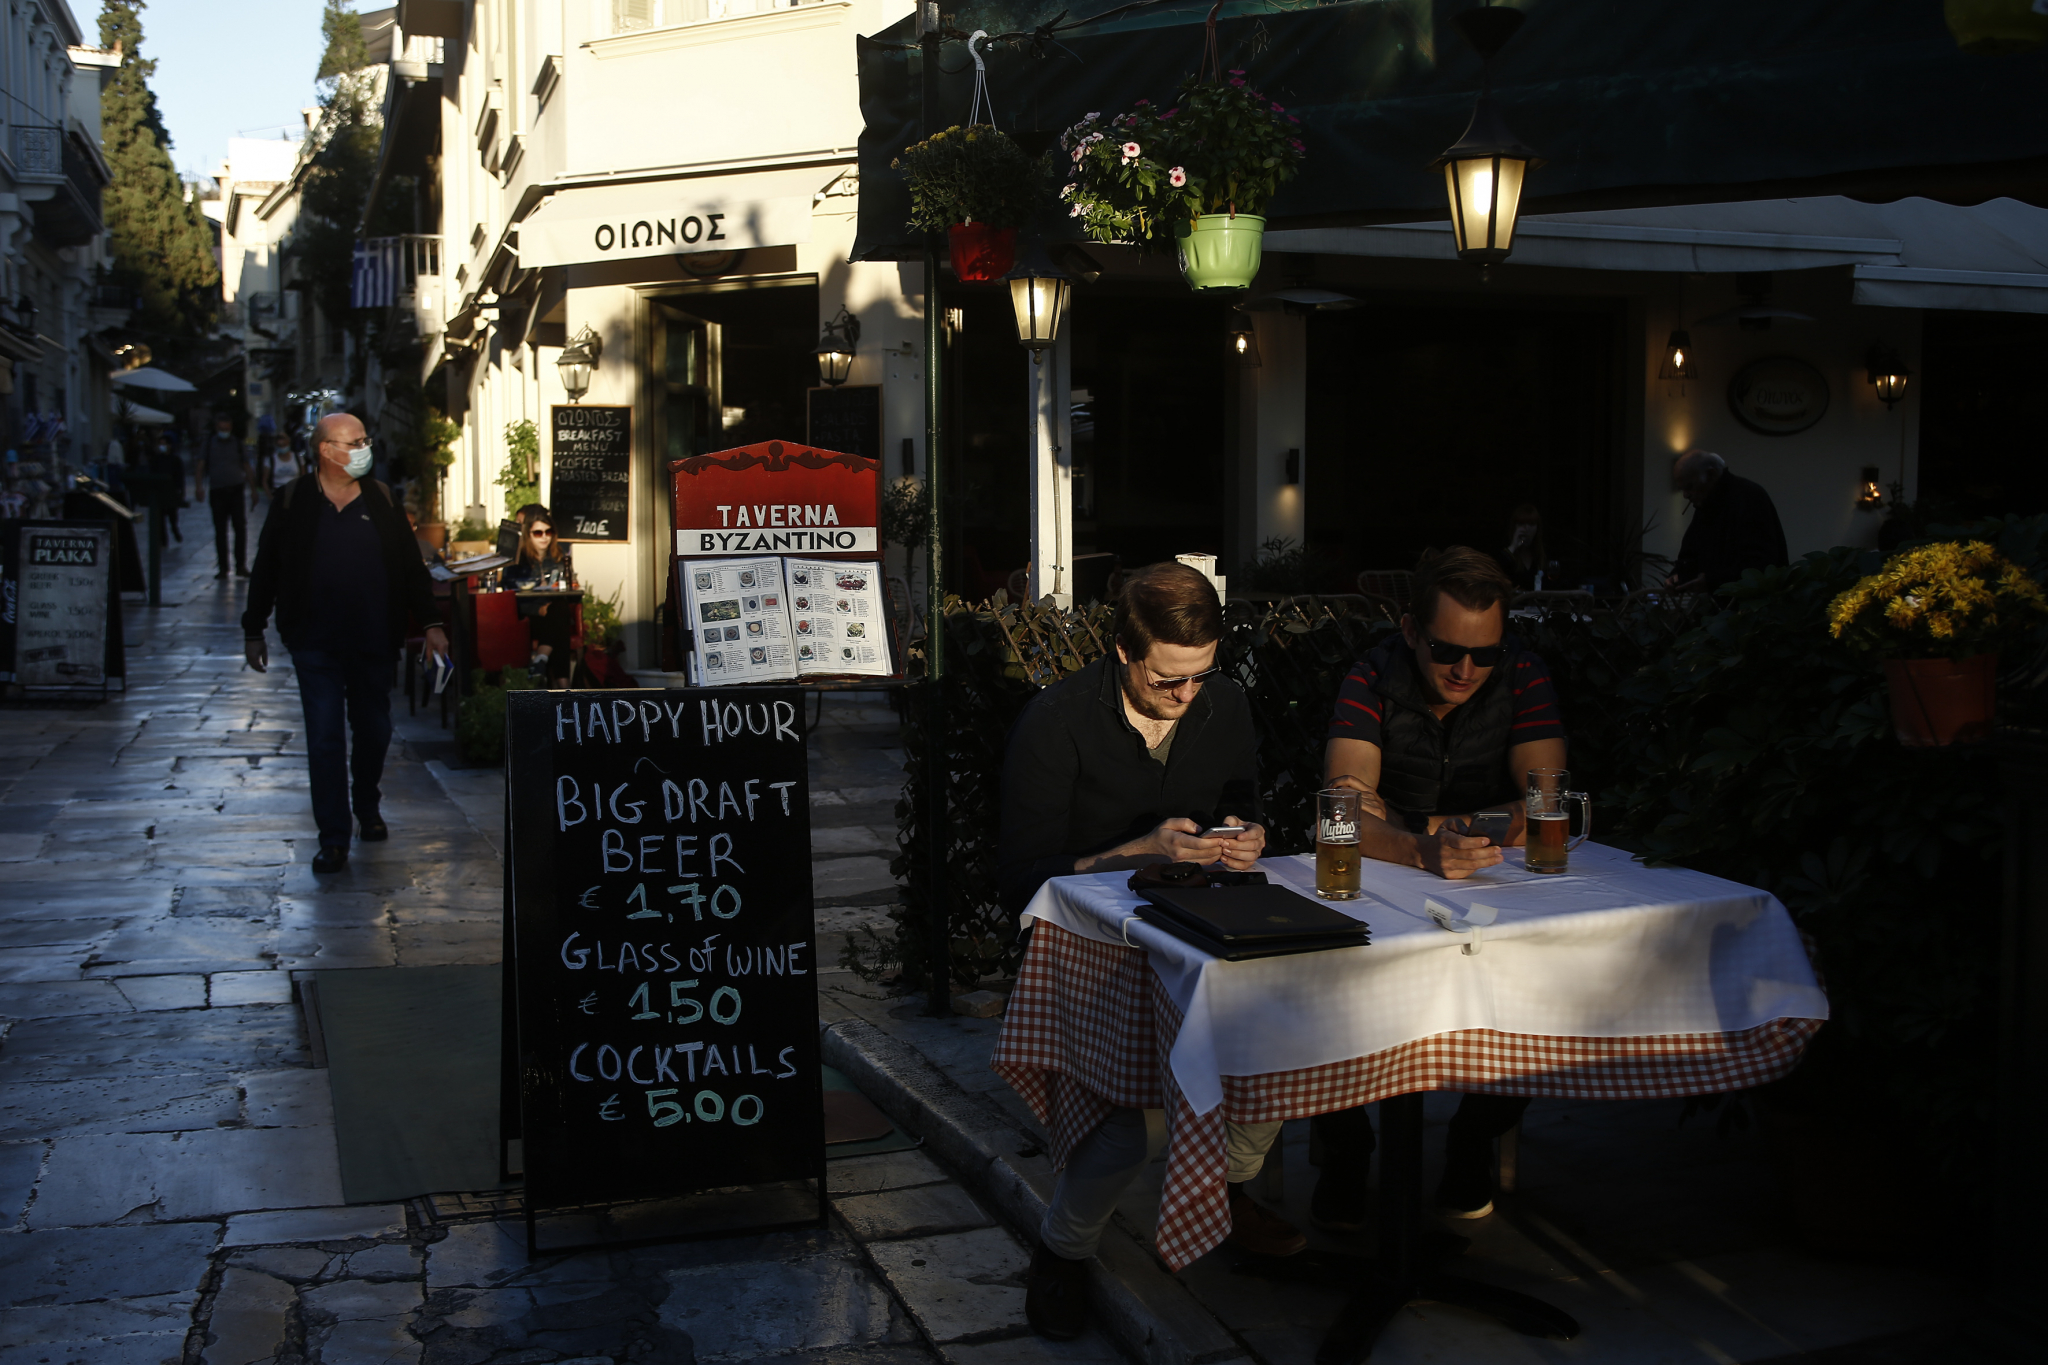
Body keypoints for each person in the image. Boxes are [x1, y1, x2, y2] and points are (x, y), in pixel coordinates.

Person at [998, 562, 1295, 1341]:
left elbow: (1243, 797)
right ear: (1124, 651)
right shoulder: (1056, 719)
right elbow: (1022, 879)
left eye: (1200, 677)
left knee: (1278, 1059)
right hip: (1087, 944)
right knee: (1130, 1129)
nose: (1186, 695)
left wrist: (1245, 833)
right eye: (1169, 680)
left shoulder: (1222, 703)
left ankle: (1218, 1192)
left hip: (1195, 928)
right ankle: (1062, 1251)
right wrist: (1139, 850)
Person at [1314, 546, 1570, 1226]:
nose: (1465, 669)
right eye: (1447, 649)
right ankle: (1343, 1151)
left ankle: (1473, 1137)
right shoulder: (1372, 672)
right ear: (1409, 630)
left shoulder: (1524, 673)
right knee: (1323, 979)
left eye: (1484, 654)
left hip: (1495, 887)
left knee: (1546, 986)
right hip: (1390, 878)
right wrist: (1421, 846)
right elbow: (1342, 804)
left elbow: (1549, 804)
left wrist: (1420, 824)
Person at [242, 412, 449, 875]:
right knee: (325, 737)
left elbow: (411, 567)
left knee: (375, 730)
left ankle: (367, 802)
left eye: (364, 440)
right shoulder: (293, 501)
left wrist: (432, 622)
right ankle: (333, 837)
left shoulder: (380, 498)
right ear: (326, 450)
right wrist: (254, 627)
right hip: (314, 641)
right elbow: (267, 567)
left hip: (374, 638)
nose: (363, 448)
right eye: (353, 442)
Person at [1666, 449, 1788, 593]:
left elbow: (1759, 562)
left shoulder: (1749, 498)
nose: (1686, 495)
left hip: (1751, 607)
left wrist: (1712, 581)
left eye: (1689, 487)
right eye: (1682, 489)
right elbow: (1691, 552)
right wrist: (1678, 575)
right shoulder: (1707, 503)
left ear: (1711, 474)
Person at [504, 506, 576, 685]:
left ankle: (540, 661)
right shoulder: (517, 560)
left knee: (558, 612)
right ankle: (563, 686)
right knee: (560, 620)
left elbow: (569, 590)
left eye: (548, 532)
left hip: (553, 614)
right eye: (538, 533)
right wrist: (537, 608)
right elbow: (509, 595)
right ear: (528, 534)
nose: (544, 537)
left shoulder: (559, 558)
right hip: (527, 618)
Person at [196, 412, 252, 579]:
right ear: (216, 427)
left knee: (240, 528)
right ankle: (223, 567)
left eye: (227, 428)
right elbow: (200, 465)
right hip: (217, 490)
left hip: (236, 490)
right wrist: (199, 487)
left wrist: (254, 489)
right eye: (221, 428)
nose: (224, 431)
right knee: (220, 531)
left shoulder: (237, 444)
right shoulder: (208, 444)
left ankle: (240, 565)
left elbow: (246, 465)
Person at [149, 436, 186, 543]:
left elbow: (180, 476)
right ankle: (163, 540)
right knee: (160, 518)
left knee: (172, 517)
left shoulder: (175, 460)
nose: (162, 446)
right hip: (159, 492)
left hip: (171, 492)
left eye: (164, 444)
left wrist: (180, 492)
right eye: (160, 444)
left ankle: (175, 532)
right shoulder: (156, 459)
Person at [265, 431, 302, 499]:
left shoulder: (298, 458)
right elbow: (264, 480)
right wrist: (270, 497)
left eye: (284, 445)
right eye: (280, 446)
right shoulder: (270, 460)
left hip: (295, 493)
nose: (282, 447)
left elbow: (304, 477)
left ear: (289, 441)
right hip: (277, 492)